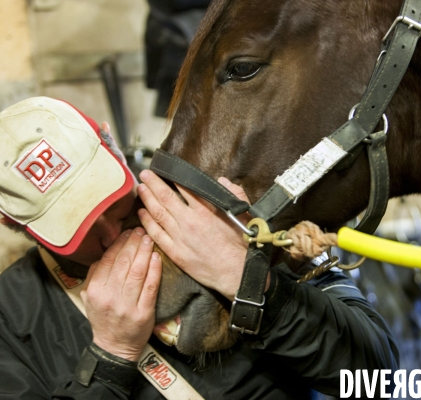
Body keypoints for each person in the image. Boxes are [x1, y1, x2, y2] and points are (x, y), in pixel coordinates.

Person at [0, 97, 399, 399]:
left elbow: (377, 376)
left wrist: (251, 282)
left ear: (111, 144)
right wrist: (110, 358)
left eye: (111, 201)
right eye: (77, 226)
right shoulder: (10, 319)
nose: (109, 235)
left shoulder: (215, 204)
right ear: (14, 226)